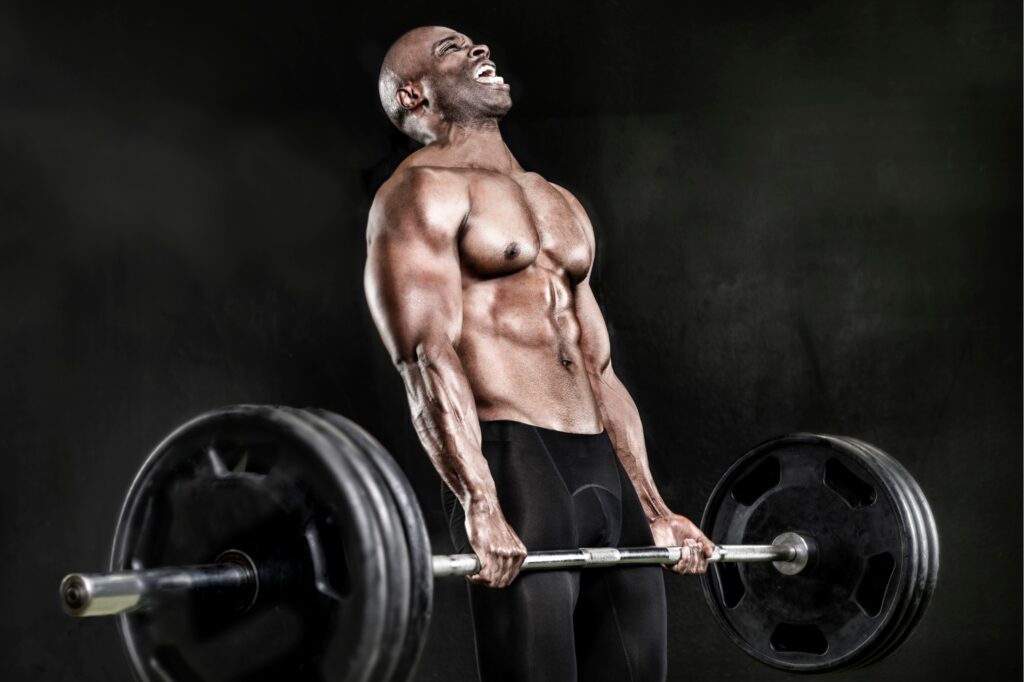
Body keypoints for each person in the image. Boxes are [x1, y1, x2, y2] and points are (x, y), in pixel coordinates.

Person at [364, 25, 715, 682]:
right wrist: (480, 501)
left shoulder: (557, 200)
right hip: (516, 465)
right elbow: (424, 355)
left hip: (601, 465)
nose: (478, 51)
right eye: (451, 50)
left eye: (476, 44)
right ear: (415, 94)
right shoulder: (419, 195)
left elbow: (597, 365)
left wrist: (655, 508)